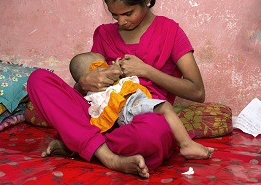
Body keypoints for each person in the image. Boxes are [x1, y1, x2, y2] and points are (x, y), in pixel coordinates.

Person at [27, 0, 211, 178]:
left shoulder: (171, 31)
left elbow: (197, 91)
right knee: (37, 79)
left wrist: (146, 71)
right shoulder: (104, 34)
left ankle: (81, 145)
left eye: (128, 13)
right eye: (115, 15)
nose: (121, 21)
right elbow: (91, 96)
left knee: (154, 132)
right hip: (100, 116)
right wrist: (84, 83)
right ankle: (109, 157)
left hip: (141, 118)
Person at [70, 51, 214, 159]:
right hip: (129, 106)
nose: (109, 63)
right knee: (165, 108)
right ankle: (186, 144)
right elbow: (114, 72)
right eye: (104, 63)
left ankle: (89, 147)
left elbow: (197, 92)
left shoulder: (92, 90)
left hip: (124, 112)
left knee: (154, 126)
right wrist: (118, 65)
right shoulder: (100, 75)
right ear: (96, 68)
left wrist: (145, 69)